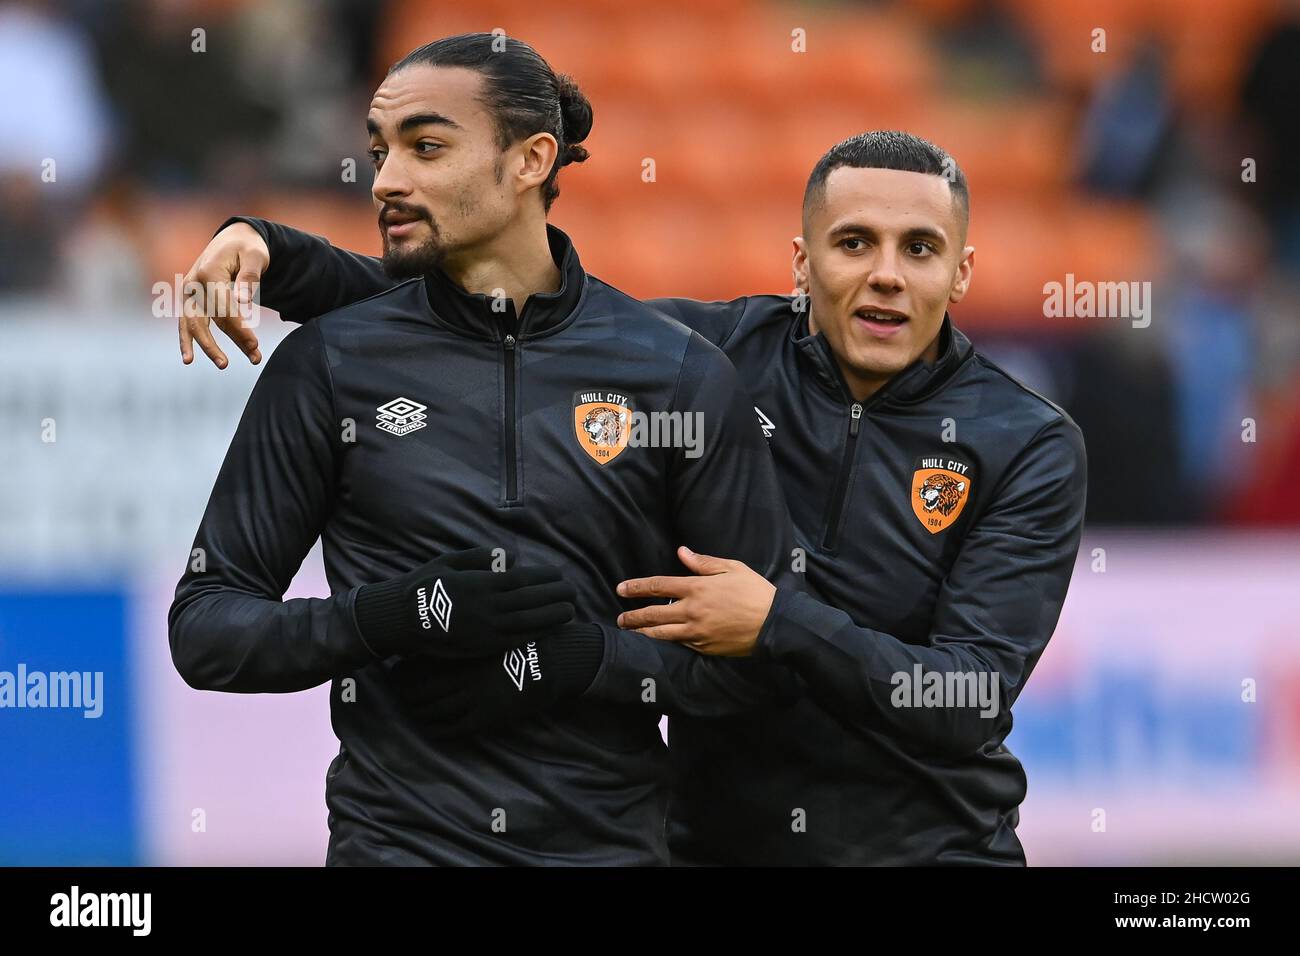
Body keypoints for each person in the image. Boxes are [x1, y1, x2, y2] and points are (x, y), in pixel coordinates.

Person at [179, 124, 1086, 864]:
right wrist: (274, 254)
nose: (887, 272)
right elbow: (495, 314)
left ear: (961, 274)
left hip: (932, 850)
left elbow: (967, 700)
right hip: (705, 848)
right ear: (803, 263)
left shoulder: (1028, 443)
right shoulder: (705, 360)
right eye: (854, 243)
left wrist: (780, 622)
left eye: (920, 249)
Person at [169, 33, 797, 866]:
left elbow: (760, 667)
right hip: (395, 847)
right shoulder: (330, 364)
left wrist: (588, 659)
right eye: (379, 151)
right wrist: (395, 615)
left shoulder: (675, 373)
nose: (387, 180)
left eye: (427, 148)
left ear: (531, 158)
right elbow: (208, 628)